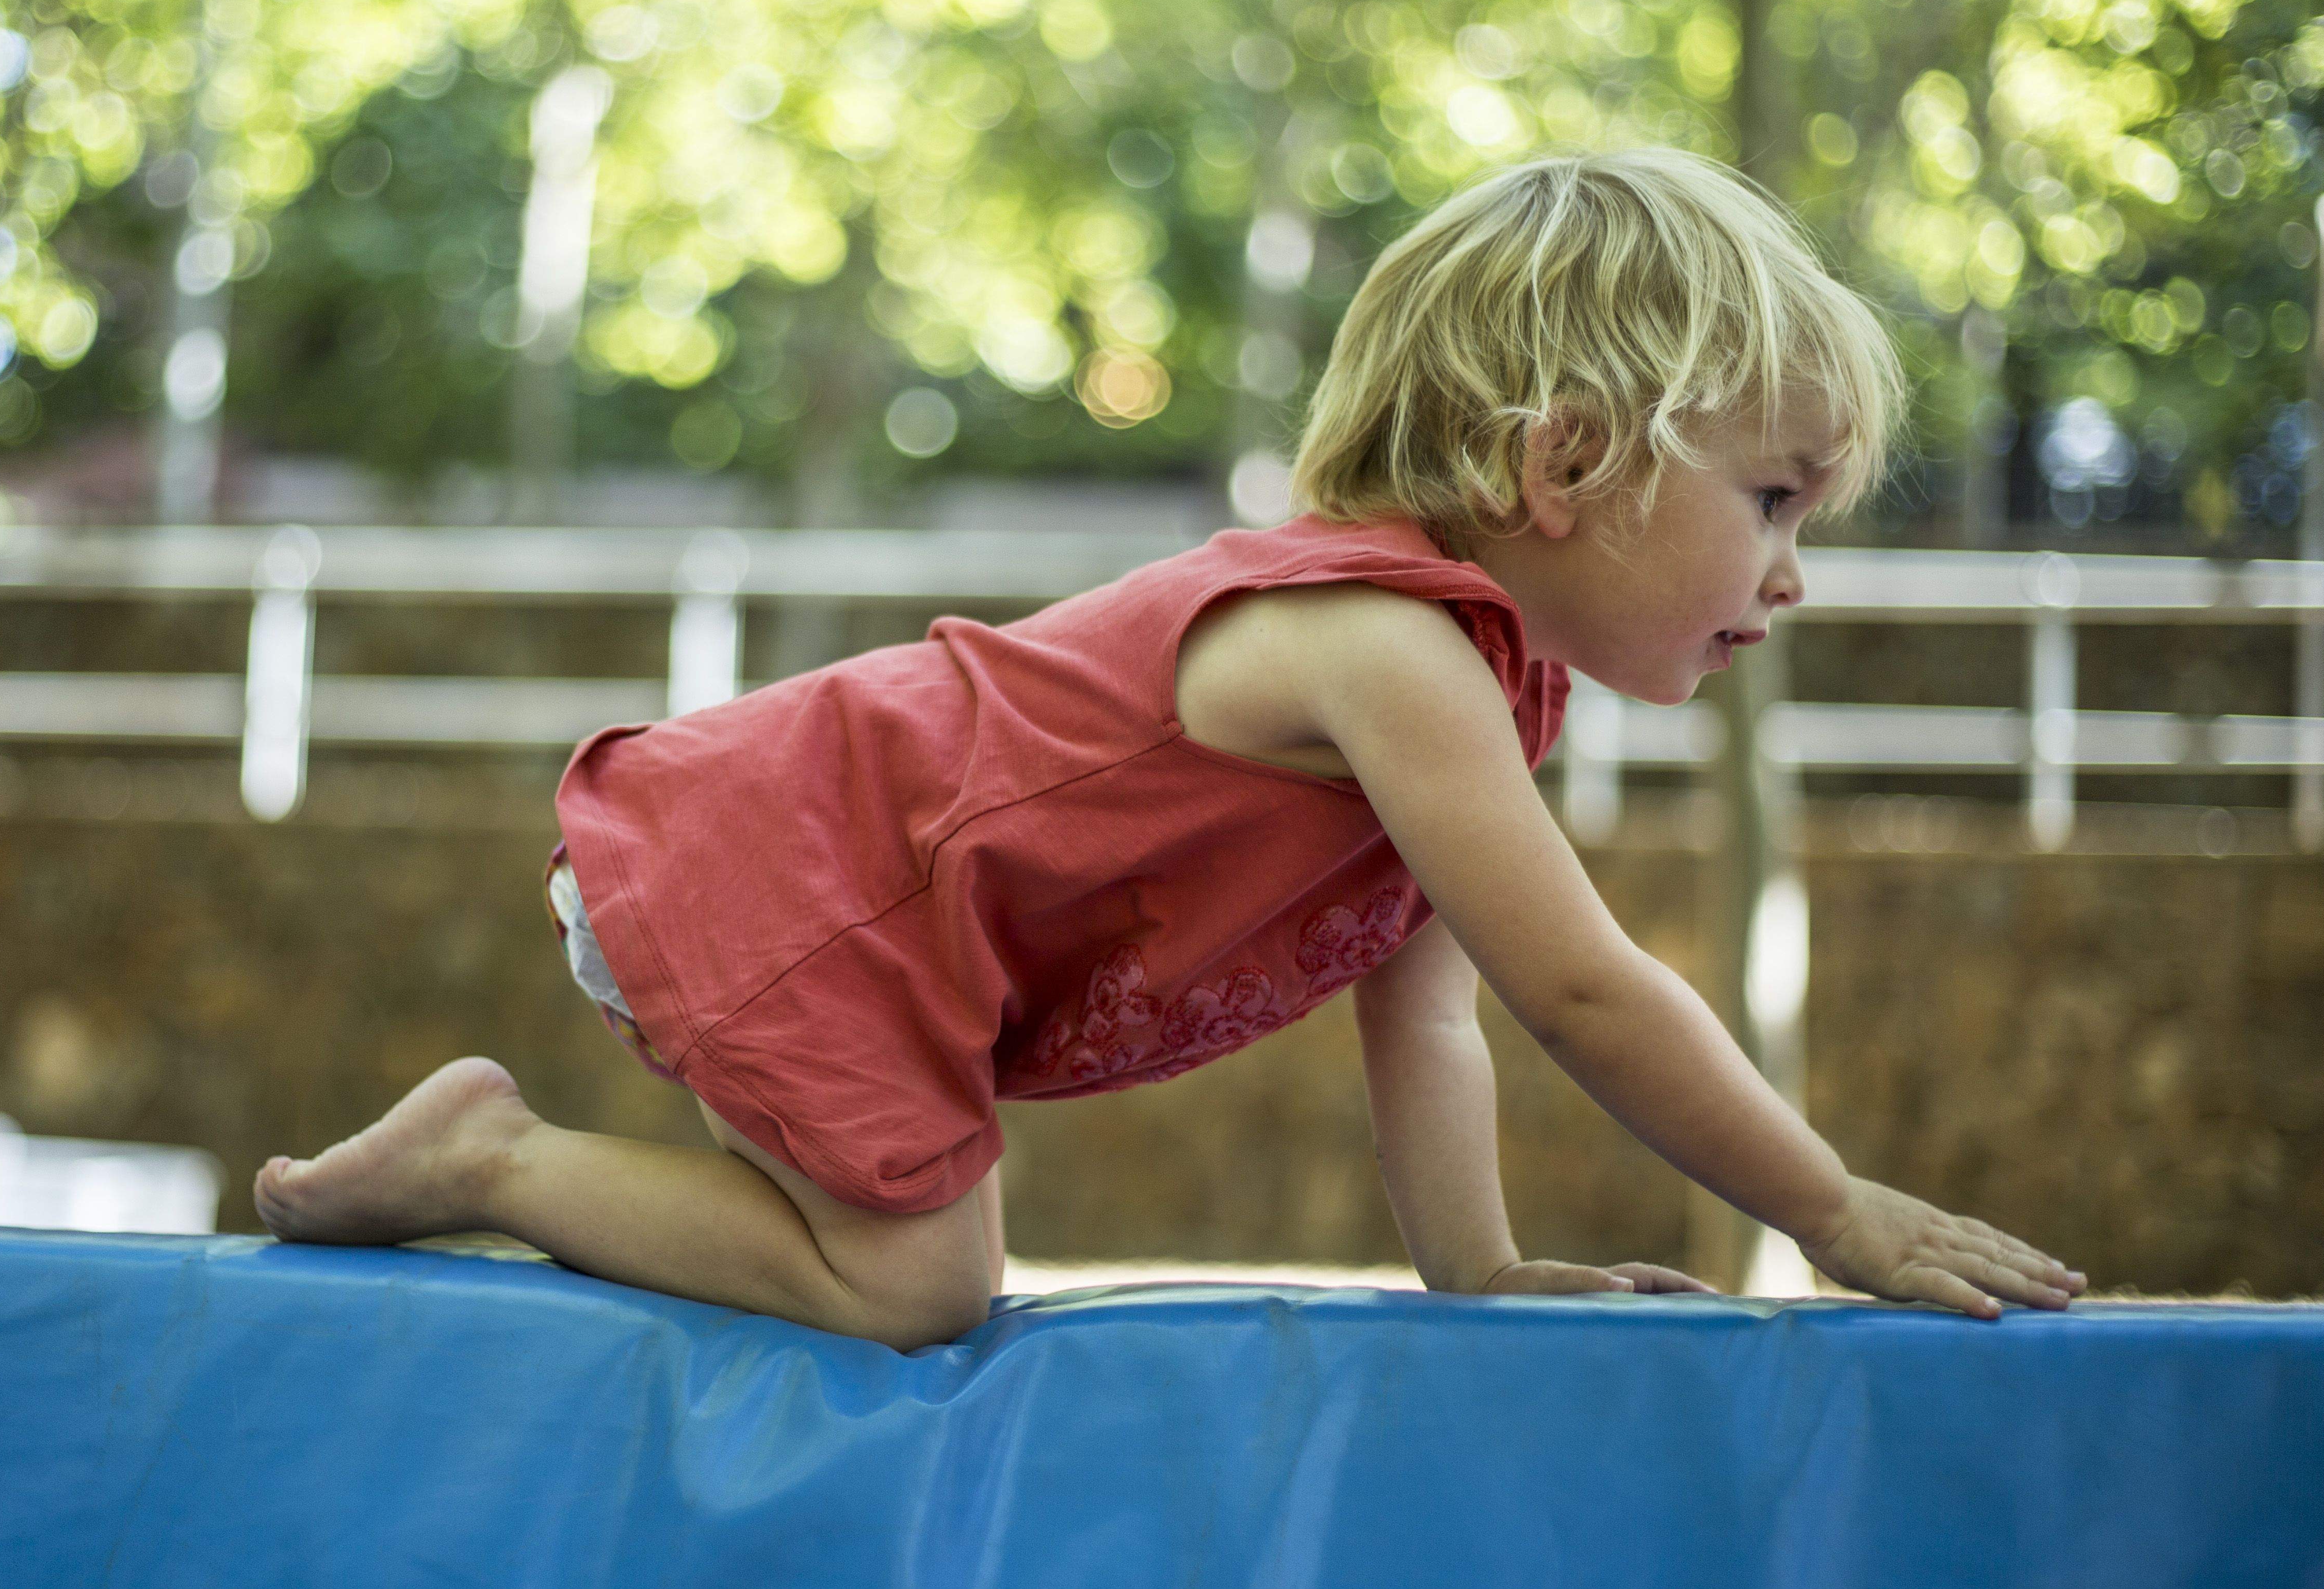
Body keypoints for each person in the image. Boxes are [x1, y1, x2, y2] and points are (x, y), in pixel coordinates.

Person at [254, 147, 2086, 1351]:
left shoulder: (1466, 686)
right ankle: (492, 1160)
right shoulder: (1384, 644)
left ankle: (501, 1161)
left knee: (906, 1272)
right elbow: (1585, 991)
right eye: (1772, 499)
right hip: (799, 879)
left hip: (842, 895)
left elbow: (1432, 1013)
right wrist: (1831, 1208)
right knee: (918, 1287)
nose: (1793, 572)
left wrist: (1477, 1269)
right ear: (1568, 460)